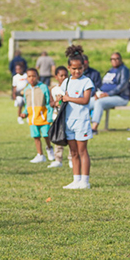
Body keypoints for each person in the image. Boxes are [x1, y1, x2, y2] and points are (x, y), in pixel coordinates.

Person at [57, 45, 94, 189]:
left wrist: (68, 98)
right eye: (73, 69)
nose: (76, 71)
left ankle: (85, 181)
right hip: (68, 121)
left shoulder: (87, 82)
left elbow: (85, 100)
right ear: (68, 68)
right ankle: (76, 180)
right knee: (73, 152)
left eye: (79, 68)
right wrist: (59, 99)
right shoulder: (66, 82)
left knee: (82, 151)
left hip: (81, 121)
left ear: (84, 67)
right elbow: (62, 100)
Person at [90, 52, 130, 133]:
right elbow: (104, 85)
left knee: (99, 103)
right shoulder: (110, 70)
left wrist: (108, 94)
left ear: (121, 60)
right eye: (112, 59)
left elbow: (122, 86)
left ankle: (94, 128)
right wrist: (98, 93)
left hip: (120, 97)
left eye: (117, 59)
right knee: (86, 102)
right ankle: (80, 127)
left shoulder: (124, 70)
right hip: (105, 96)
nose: (114, 61)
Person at [22, 68, 54, 163]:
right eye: (29, 76)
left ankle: (49, 148)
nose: (31, 78)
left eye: (33, 76)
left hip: (43, 117)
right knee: (36, 136)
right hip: (32, 118)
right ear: (26, 78)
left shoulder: (43, 87)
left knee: (46, 134)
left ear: (37, 77)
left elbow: (49, 103)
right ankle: (40, 155)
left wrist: (49, 116)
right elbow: (26, 104)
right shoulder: (26, 90)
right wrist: (25, 113)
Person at [48, 66, 69, 169]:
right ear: (56, 77)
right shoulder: (54, 89)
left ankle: (72, 158)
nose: (64, 77)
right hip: (57, 117)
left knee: (70, 138)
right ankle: (58, 159)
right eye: (61, 75)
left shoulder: (70, 88)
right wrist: (56, 102)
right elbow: (51, 103)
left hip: (68, 116)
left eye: (66, 75)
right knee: (58, 138)